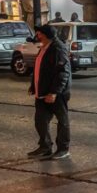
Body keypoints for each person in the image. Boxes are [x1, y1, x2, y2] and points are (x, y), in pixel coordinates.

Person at [26, 24, 71, 160]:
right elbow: (40, 69)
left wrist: (54, 92)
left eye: (39, 33)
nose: (37, 36)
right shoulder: (44, 47)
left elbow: (63, 72)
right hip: (42, 92)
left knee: (62, 121)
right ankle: (45, 146)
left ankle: (63, 148)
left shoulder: (58, 48)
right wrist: (33, 85)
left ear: (45, 35)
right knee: (40, 120)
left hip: (56, 93)